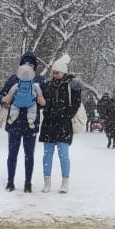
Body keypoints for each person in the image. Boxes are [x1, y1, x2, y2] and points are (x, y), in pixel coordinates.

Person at [0, 51, 46, 192]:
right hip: (16, 124)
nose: (28, 67)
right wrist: (3, 99)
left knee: (28, 155)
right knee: (13, 154)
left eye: (30, 64)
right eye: (25, 64)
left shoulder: (39, 81)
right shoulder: (14, 80)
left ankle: (27, 183)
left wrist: (43, 102)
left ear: (35, 66)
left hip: (28, 124)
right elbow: (0, 95)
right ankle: (11, 181)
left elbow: (47, 101)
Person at [37, 54, 83, 193]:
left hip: (64, 125)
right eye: (53, 72)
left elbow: (76, 104)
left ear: (63, 72)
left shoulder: (72, 85)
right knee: (47, 155)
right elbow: (42, 103)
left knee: (63, 154)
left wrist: (64, 115)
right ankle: (47, 182)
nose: (55, 74)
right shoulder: (48, 85)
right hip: (49, 124)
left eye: (57, 72)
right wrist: (43, 106)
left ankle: (65, 182)